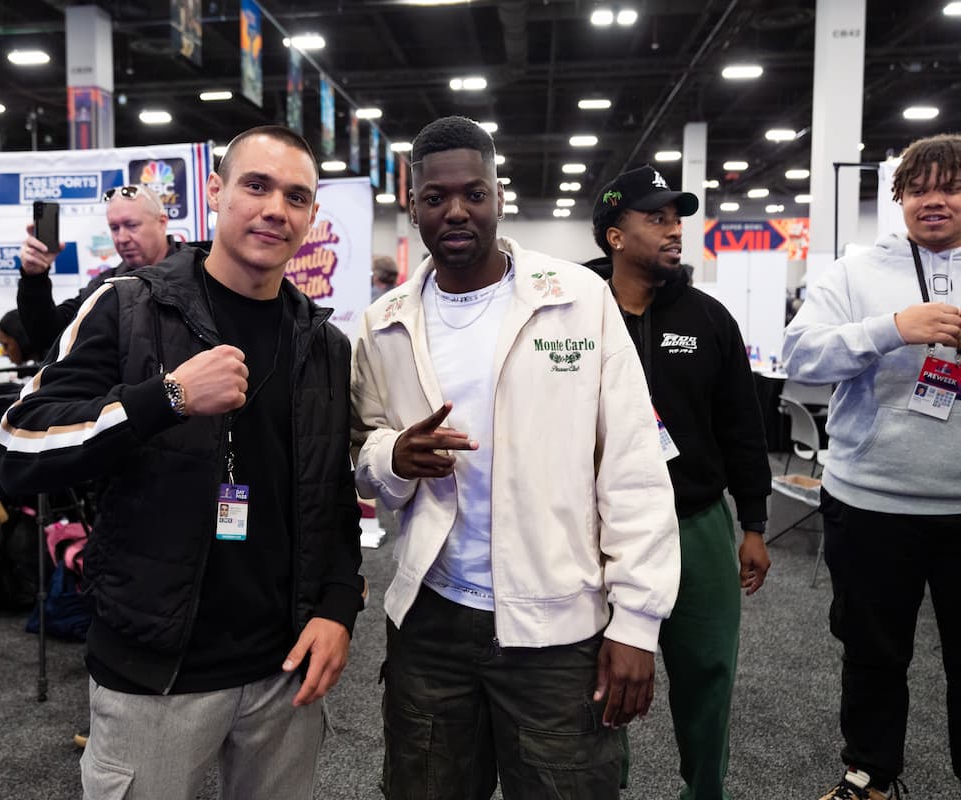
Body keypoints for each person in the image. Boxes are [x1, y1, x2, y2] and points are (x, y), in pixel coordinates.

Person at [0, 125, 364, 799]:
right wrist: (165, 398)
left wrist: (338, 608)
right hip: (155, 671)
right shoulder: (129, 307)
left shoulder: (324, 344)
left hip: (284, 671)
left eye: (297, 196)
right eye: (256, 185)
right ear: (217, 192)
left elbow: (330, 493)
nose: (275, 208)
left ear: (311, 216)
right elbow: (19, 447)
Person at [350, 115, 680, 799]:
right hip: (433, 619)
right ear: (412, 208)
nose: (456, 211)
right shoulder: (383, 324)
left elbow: (633, 468)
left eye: (473, 192)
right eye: (436, 198)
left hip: (556, 623)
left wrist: (638, 623)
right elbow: (363, 448)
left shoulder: (577, 299)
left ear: (499, 195)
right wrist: (394, 459)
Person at [784, 133, 961, 800]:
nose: (934, 199)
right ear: (900, 199)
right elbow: (799, 357)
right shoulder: (857, 271)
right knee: (874, 654)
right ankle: (869, 774)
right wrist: (891, 328)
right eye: (919, 188)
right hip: (870, 502)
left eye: (950, 186)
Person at [589, 165, 773, 799]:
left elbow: (743, 429)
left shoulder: (709, 319)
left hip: (695, 523)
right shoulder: (573, 314)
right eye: (657, 218)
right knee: (599, 684)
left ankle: (705, 792)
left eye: (678, 218)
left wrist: (753, 524)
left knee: (707, 677)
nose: (675, 231)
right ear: (614, 235)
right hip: (595, 530)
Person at [17, 182, 177, 356]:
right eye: (114, 228)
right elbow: (48, 335)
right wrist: (34, 278)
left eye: (132, 225)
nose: (121, 238)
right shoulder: (106, 286)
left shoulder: (196, 270)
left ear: (162, 223)